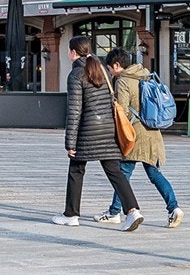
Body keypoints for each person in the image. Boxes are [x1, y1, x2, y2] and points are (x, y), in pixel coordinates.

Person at [54, 50, 145, 231]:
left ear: (72, 53)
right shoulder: (102, 69)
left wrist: (70, 143)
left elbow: (74, 110)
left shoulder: (76, 74)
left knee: (76, 169)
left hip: (87, 130)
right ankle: (133, 211)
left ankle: (71, 215)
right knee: (115, 172)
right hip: (107, 129)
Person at [92, 49, 182, 228]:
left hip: (134, 134)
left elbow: (122, 112)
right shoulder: (146, 75)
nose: (110, 72)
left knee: (123, 174)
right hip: (153, 133)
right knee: (155, 174)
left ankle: (114, 212)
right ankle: (174, 208)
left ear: (117, 65)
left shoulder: (124, 81)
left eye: (110, 68)